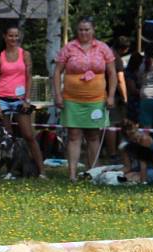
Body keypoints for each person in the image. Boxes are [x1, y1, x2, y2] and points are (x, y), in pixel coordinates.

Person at [53, 16, 117, 182]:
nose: (84, 32)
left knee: (93, 136)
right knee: (74, 136)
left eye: (87, 29)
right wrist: (57, 95)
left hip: (96, 99)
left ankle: (92, 172)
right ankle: (72, 174)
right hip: (72, 99)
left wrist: (110, 95)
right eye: (81, 29)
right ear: (77, 31)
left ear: (93, 30)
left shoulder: (103, 48)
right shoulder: (69, 48)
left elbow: (112, 74)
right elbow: (57, 72)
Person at [0, 24, 45, 178]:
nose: (13, 38)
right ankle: (9, 170)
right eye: (10, 35)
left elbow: (29, 78)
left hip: (20, 99)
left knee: (28, 135)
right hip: (3, 98)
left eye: (16, 35)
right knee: (6, 138)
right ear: (5, 37)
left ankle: (41, 171)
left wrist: (27, 99)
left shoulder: (25, 54)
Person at [104, 35, 130, 160]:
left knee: (104, 125)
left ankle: (106, 150)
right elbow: (120, 80)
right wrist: (125, 98)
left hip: (100, 93)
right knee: (113, 125)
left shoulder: (105, 53)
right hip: (112, 96)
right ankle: (113, 153)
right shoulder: (117, 58)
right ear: (125, 49)